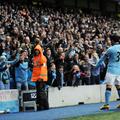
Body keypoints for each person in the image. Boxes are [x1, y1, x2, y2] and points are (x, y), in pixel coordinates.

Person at [95, 34, 120, 110]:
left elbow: (101, 59)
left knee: (108, 87)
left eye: (109, 40)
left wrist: (96, 67)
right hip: (119, 71)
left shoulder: (111, 49)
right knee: (118, 87)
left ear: (112, 40)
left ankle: (106, 105)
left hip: (111, 70)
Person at [31, 43, 49, 110]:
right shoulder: (35, 58)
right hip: (37, 78)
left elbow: (43, 68)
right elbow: (35, 69)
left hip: (41, 78)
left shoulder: (43, 58)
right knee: (39, 93)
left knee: (41, 93)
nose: (36, 51)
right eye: (35, 50)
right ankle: (41, 106)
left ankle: (45, 106)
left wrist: (41, 77)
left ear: (40, 50)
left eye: (37, 50)